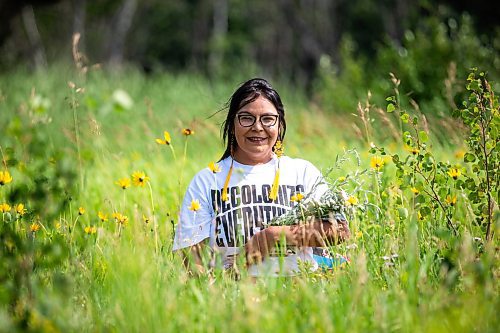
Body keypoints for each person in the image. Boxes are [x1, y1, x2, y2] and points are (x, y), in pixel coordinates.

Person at [173, 78, 349, 276]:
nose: (257, 127)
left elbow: (340, 231)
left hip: (298, 293)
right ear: (232, 123)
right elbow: (192, 260)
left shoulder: (302, 172)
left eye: (267, 119)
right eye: (246, 118)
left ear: (279, 124)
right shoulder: (207, 180)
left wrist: (275, 236)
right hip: (233, 297)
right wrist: (222, 287)